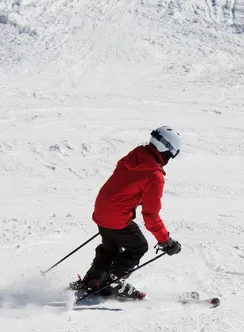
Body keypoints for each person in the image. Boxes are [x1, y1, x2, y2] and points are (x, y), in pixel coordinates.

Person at [69, 126, 183, 299]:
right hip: (116, 215)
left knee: (111, 248)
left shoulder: (136, 155)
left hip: (101, 209)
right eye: (171, 155)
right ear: (166, 151)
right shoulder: (154, 176)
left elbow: (125, 184)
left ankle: (94, 280)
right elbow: (151, 216)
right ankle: (114, 283)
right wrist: (166, 241)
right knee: (138, 247)